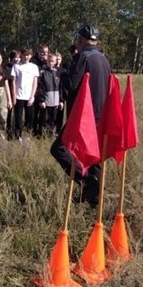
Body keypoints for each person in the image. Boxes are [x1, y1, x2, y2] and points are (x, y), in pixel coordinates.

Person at [50, 25, 112, 207]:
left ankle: (86, 180)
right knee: (95, 156)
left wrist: (61, 74)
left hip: (84, 116)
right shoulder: (104, 59)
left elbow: (71, 85)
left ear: (80, 40)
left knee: (59, 149)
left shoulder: (82, 57)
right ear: (96, 40)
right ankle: (94, 198)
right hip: (101, 113)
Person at [10, 48, 39, 142]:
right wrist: (14, 96)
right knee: (18, 117)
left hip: (29, 96)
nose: (26, 57)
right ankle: (17, 136)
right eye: (24, 55)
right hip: (19, 96)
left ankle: (27, 135)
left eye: (28, 55)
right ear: (21, 55)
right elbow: (13, 82)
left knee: (30, 117)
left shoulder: (34, 67)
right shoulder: (16, 66)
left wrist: (32, 96)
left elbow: (35, 82)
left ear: (31, 55)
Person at [37, 50, 63, 135]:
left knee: (53, 120)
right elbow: (40, 87)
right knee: (44, 120)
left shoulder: (58, 73)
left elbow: (60, 88)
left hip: (55, 102)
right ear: (46, 61)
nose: (50, 63)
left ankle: (51, 135)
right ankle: (42, 136)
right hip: (46, 102)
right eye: (49, 61)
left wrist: (61, 101)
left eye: (52, 61)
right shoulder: (42, 72)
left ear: (55, 62)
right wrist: (41, 100)